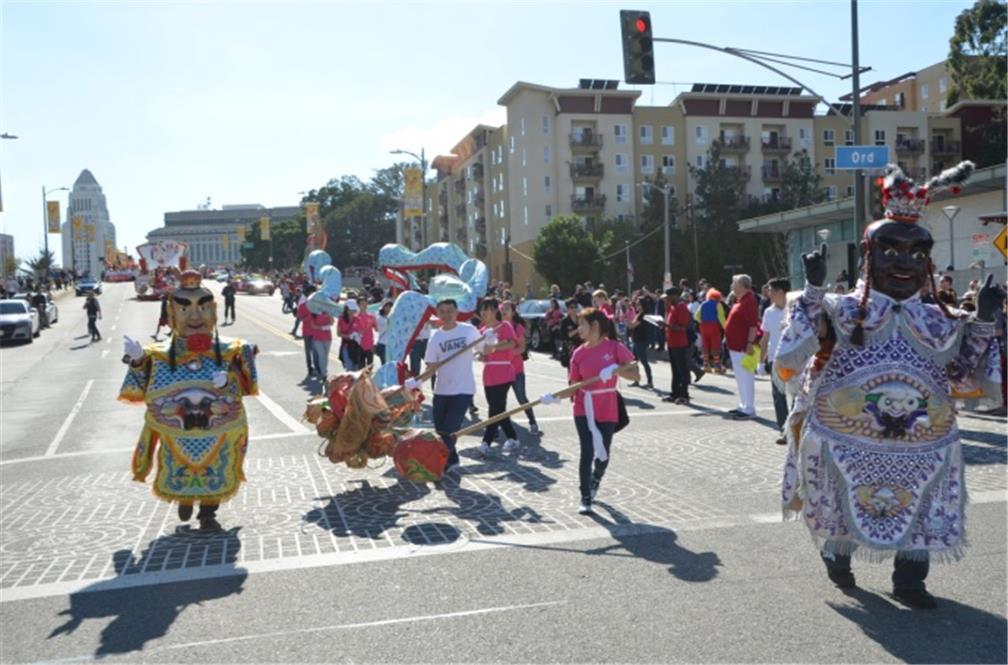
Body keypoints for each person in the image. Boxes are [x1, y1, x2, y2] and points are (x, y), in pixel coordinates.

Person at [776, 162, 1001, 609]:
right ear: (868, 255)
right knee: (838, 501)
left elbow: (960, 376)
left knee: (923, 504)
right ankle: (837, 557)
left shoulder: (940, 319)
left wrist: (985, 321)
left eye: (918, 254)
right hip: (846, 436)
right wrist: (814, 290)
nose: (904, 263)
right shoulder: (841, 309)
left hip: (924, 440)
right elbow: (794, 350)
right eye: (891, 251)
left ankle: (911, 579)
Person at [120, 270, 259, 533]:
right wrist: (138, 361)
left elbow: (249, 384)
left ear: (213, 311)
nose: (195, 316)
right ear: (172, 313)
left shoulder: (232, 350)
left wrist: (230, 378)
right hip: (179, 432)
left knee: (217, 466)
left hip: (217, 430)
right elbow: (138, 390)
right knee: (179, 467)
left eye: (203, 308)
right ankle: (184, 499)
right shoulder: (158, 354)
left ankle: (208, 512)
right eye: (185, 310)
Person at [541, 308, 638, 514]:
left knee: (603, 454)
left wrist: (615, 370)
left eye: (582, 324)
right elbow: (574, 386)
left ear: (595, 326)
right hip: (584, 406)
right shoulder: (578, 353)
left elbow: (635, 373)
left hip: (607, 406)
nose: (579, 329)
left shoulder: (614, 347)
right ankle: (585, 495)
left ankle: (596, 478)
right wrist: (554, 397)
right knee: (587, 451)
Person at [407, 298, 488, 472]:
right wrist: (417, 381)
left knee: (450, 429)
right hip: (442, 390)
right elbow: (431, 367)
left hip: (463, 389)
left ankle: (438, 461)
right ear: (438, 314)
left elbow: (484, 351)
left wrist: (490, 340)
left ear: (456, 312)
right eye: (442, 312)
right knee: (441, 429)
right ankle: (452, 459)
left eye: (450, 311)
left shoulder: (468, 330)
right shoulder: (436, 337)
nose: (447, 315)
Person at [476, 297, 520, 455]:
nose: (483, 313)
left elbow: (511, 343)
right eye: (482, 310)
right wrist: (480, 355)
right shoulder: (481, 331)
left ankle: (486, 442)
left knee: (495, 409)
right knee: (498, 408)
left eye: (486, 309)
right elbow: (482, 353)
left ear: (495, 310)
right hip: (489, 373)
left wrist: (494, 347)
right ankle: (513, 438)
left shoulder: (504, 326)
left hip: (504, 372)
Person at [724, 274, 760, 419]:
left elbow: (752, 325)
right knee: (740, 377)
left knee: (746, 377)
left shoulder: (749, 301)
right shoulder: (740, 301)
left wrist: (749, 343)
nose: (732, 285)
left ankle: (749, 408)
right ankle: (744, 404)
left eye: (734, 283)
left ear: (742, 285)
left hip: (743, 347)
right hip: (735, 347)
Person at [502, 300, 540, 435]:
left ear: (513, 312)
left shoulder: (517, 327)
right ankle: (500, 426)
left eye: (507, 308)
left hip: (516, 370)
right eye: (502, 308)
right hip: (501, 371)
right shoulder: (498, 327)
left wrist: (507, 353)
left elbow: (522, 348)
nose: (503, 310)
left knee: (522, 398)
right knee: (500, 400)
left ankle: (533, 422)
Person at [759, 278, 790, 444]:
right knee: (779, 397)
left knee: (795, 397)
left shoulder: (794, 308)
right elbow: (765, 338)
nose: (768, 293)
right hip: (775, 361)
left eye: (771, 290)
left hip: (793, 361)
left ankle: (796, 430)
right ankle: (784, 431)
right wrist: (761, 362)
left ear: (780, 292)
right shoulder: (769, 312)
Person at [662, 288, 692, 404]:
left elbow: (682, 327)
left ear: (675, 296)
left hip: (680, 343)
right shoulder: (672, 307)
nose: (667, 299)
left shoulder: (681, 307)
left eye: (668, 297)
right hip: (672, 343)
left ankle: (684, 395)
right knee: (675, 370)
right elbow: (669, 322)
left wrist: (667, 326)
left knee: (682, 370)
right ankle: (675, 393)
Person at [694, 289, 726, 372]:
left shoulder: (703, 304)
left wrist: (703, 322)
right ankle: (717, 366)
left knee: (705, 345)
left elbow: (696, 316)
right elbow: (721, 317)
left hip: (703, 326)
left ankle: (706, 365)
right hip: (714, 326)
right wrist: (726, 327)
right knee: (715, 345)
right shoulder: (718, 304)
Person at [628, 291, 654, 388]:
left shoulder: (642, 315)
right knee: (634, 361)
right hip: (637, 339)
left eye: (638, 304)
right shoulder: (640, 314)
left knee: (644, 361)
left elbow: (632, 325)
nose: (637, 305)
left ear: (643, 305)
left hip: (641, 340)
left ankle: (650, 382)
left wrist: (626, 319)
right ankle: (636, 380)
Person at [310, 304, 334, 378]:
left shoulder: (328, 312)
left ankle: (324, 370)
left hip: (327, 337)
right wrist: (323, 327)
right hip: (317, 338)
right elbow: (313, 325)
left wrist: (329, 315)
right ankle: (323, 373)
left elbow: (332, 322)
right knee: (322, 355)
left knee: (326, 356)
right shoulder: (313, 313)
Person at [337, 300, 361, 371]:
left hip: (356, 346)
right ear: (346, 309)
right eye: (350, 310)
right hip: (346, 346)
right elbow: (338, 333)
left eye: (353, 310)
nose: (352, 312)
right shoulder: (341, 319)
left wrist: (359, 336)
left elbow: (361, 331)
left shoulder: (357, 319)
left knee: (356, 367)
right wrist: (349, 336)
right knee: (349, 367)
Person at [558, 298, 581, 368]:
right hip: (570, 349)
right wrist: (577, 330)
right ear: (567, 309)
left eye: (575, 307)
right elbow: (565, 336)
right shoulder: (564, 321)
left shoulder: (581, 319)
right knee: (572, 371)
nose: (574, 309)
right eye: (571, 307)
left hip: (581, 347)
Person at [354, 295, 376, 368]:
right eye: (362, 304)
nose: (364, 305)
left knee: (370, 367)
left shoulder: (371, 316)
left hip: (370, 345)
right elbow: (357, 331)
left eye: (365, 303)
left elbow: (377, 329)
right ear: (358, 305)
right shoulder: (355, 317)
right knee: (361, 367)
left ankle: (368, 379)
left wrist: (376, 321)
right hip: (360, 345)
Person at [374, 300, 393, 365]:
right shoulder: (379, 317)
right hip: (383, 344)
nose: (388, 308)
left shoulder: (393, 316)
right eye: (386, 306)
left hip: (391, 344)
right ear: (383, 307)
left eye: (390, 307)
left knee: (391, 363)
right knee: (385, 363)